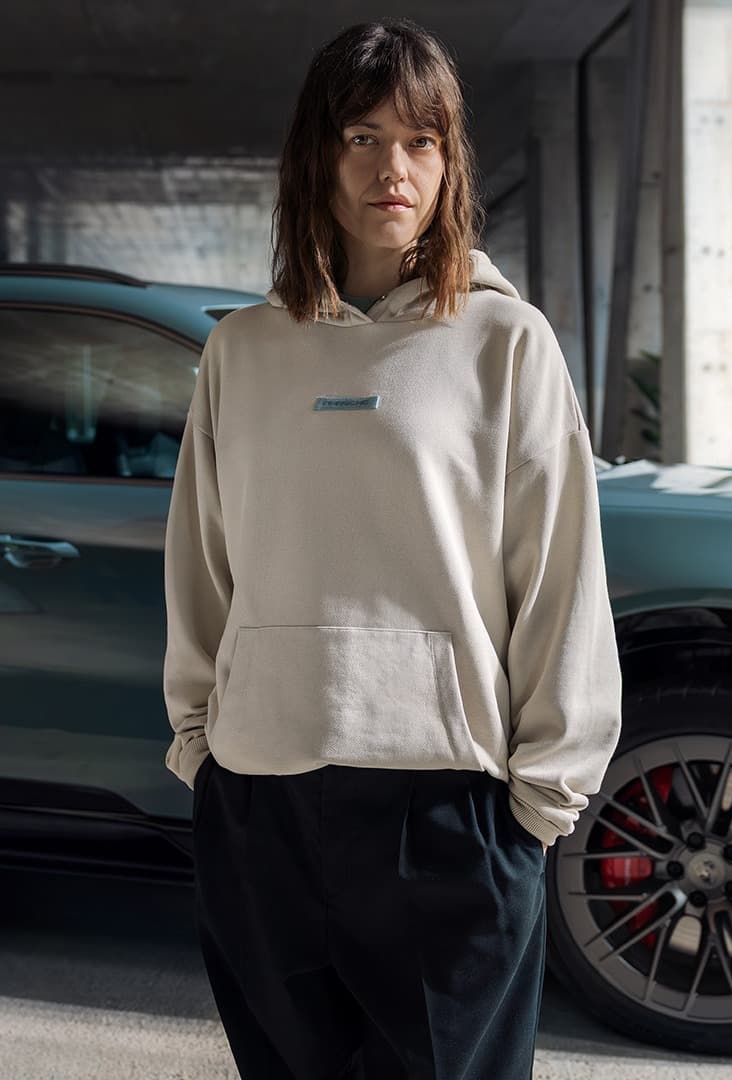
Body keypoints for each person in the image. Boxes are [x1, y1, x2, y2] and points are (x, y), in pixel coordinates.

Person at [162, 16, 622, 1080]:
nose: (392, 169)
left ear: (451, 162)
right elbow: (203, 560)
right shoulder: (242, 350)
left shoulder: (507, 342)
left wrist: (541, 802)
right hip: (262, 800)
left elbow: (559, 576)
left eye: (421, 140)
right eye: (362, 137)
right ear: (316, 156)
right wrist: (201, 749)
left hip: (450, 807)